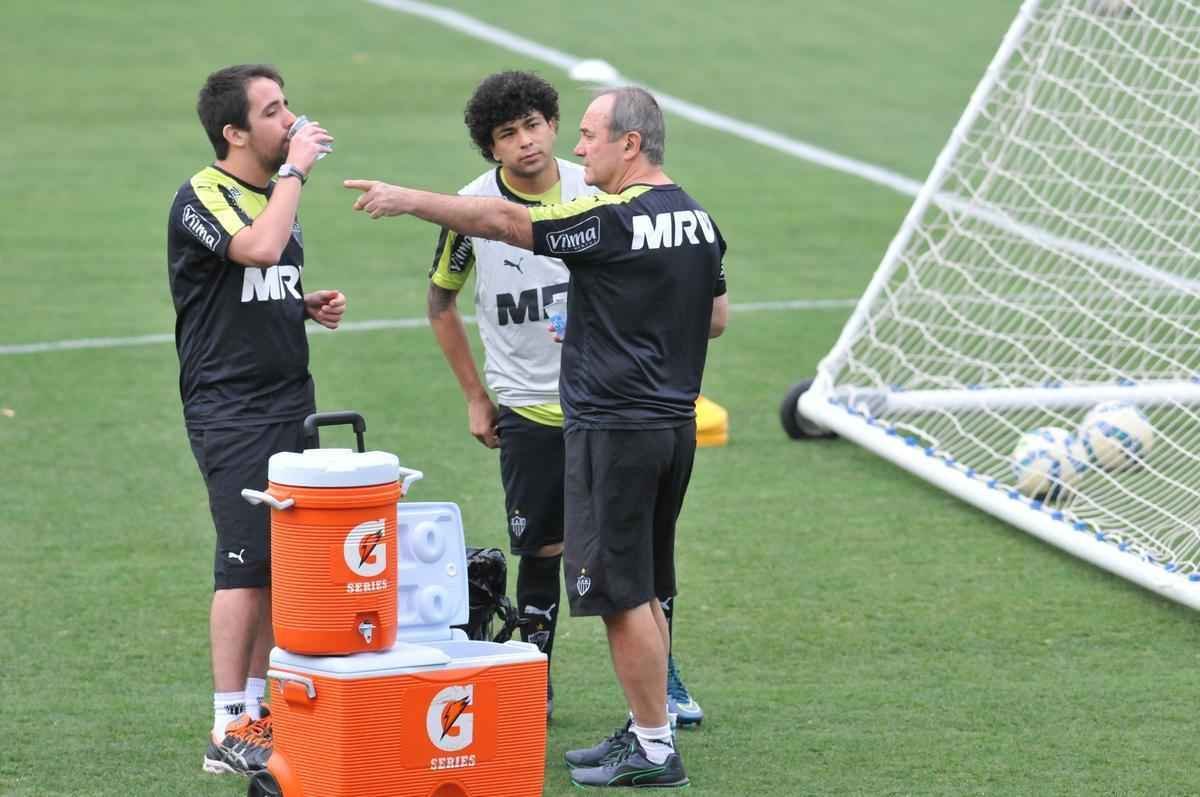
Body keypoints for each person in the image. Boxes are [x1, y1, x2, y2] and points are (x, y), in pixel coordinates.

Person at [346, 85, 727, 789]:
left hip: (615, 428)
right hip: (672, 425)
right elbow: (716, 318)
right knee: (642, 583)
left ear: (630, 145)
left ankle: (651, 747)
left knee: (619, 594)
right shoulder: (698, 219)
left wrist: (409, 198)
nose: (577, 148)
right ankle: (650, 725)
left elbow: (504, 221)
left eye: (587, 134)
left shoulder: (609, 219)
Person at [166, 63, 344, 776]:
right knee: (241, 565)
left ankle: (262, 714)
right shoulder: (200, 195)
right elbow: (258, 248)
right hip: (232, 410)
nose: (291, 120)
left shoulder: (271, 194)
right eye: (273, 111)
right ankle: (226, 726)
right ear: (233, 131)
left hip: (287, 399)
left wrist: (301, 304)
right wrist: (297, 172)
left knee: (282, 567)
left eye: (288, 106)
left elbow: (259, 275)